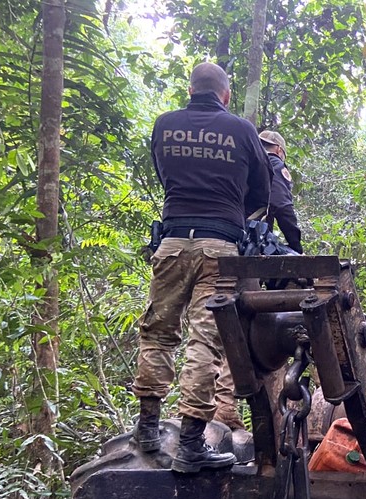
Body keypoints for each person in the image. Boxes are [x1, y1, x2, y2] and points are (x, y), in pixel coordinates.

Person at [133, 61, 271, 473]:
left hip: (173, 242)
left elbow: (164, 176)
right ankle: (192, 442)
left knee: (157, 334)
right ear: (225, 95)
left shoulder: (166, 124)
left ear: (190, 89)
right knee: (205, 341)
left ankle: (147, 427)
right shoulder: (242, 130)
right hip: (219, 248)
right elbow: (261, 192)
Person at [212, 129, 301, 430]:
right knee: (243, 325)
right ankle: (226, 406)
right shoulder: (273, 165)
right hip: (242, 251)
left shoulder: (233, 160)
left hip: (213, 244)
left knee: (220, 326)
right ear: (278, 149)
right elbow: (281, 207)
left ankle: (222, 402)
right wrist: (296, 248)